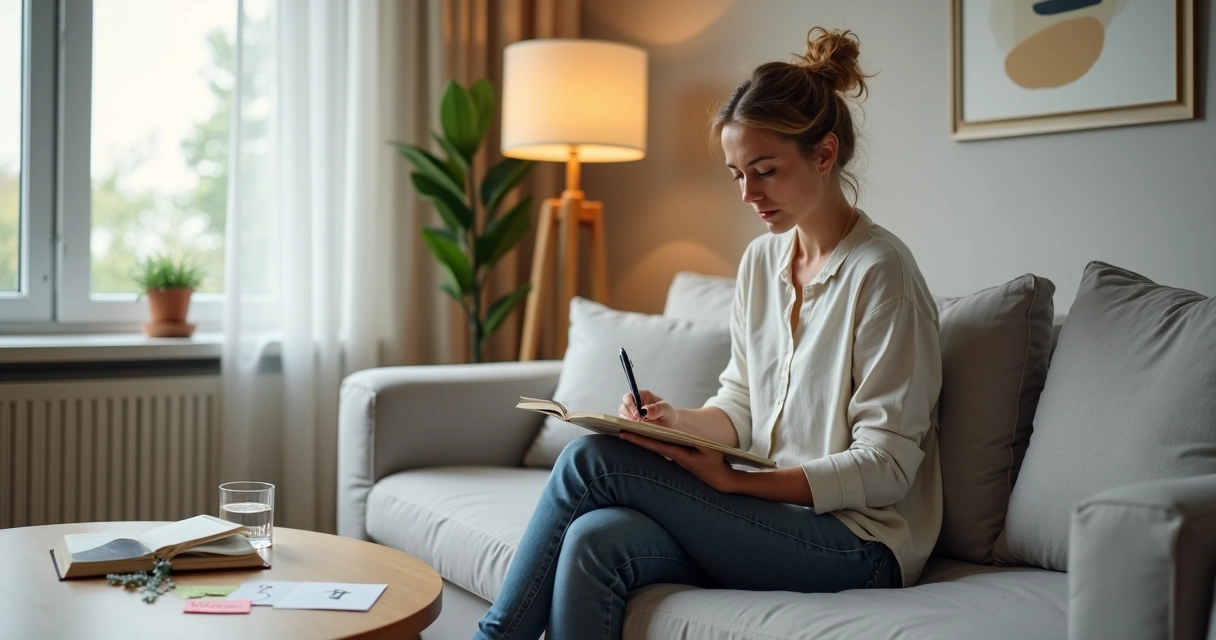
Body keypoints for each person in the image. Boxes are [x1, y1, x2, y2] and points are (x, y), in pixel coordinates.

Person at [474, 27, 942, 640]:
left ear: (823, 155)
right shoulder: (761, 264)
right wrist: (677, 422)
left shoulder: (883, 275)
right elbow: (743, 404)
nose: (749, 194)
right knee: (593, 540)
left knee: (590, 463)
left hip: (858, 542)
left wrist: (729, 480)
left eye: (765, 171)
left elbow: (885, 466)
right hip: (770, 515)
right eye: (736, 175)